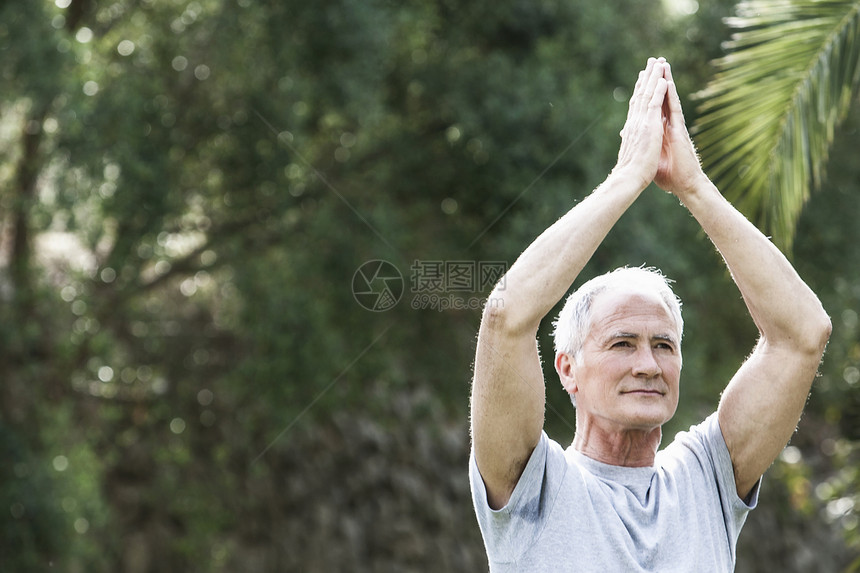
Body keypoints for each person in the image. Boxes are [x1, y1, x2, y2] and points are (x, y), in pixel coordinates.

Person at [469, 57, 832, 572]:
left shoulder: (707, 478)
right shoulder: (532, 485)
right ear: (567, 368)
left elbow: (804, 333)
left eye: (663, 345)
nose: (648, 364)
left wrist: (694, 187)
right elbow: (506, 317)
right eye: (622, 343)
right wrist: (625, 180)